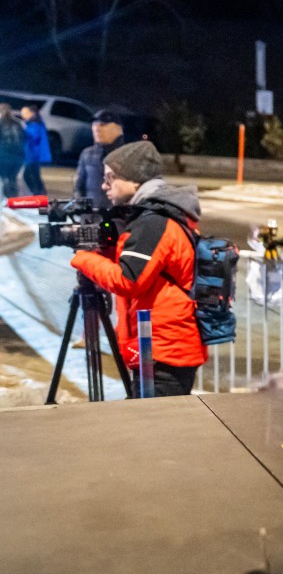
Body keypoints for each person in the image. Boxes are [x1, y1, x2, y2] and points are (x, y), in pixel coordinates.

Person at [70, 141, 207, 396]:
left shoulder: (153, 222)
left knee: (154, 421)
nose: (104, 186)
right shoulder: (156, 215)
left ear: (134, 180)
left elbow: (128, 280)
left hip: (164, 351)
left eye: (111, 178)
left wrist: (83, 258)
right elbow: (143, 269)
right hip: (158, 347)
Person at [74, 110, 126, 207]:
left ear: (117, 129)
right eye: (94, 125)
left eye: (103, 125)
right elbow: (79, 187)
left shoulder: (128, 155)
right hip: (91, 214)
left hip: (119, 214)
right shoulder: (87, 154)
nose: (96, 129)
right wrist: (82, 208)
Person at [19, 104, 51, 196]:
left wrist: (23, 131)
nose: (22, 115)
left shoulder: (35, 125)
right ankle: (39, 193)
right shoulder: (31, 124)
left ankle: (39, 193)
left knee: (30, 175)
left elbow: (33, 137)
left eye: (25, 113)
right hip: (31, 155)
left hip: (34, 155)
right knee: (34, 175)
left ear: (32, 113)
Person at [0, 104, 24, 199]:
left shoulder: (1, 123)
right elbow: (24, 139)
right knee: (12, 178)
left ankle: (6, 199)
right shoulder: (18, 123)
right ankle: (13, 198)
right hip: (18, 157)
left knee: (4, 179)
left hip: (3, 156)